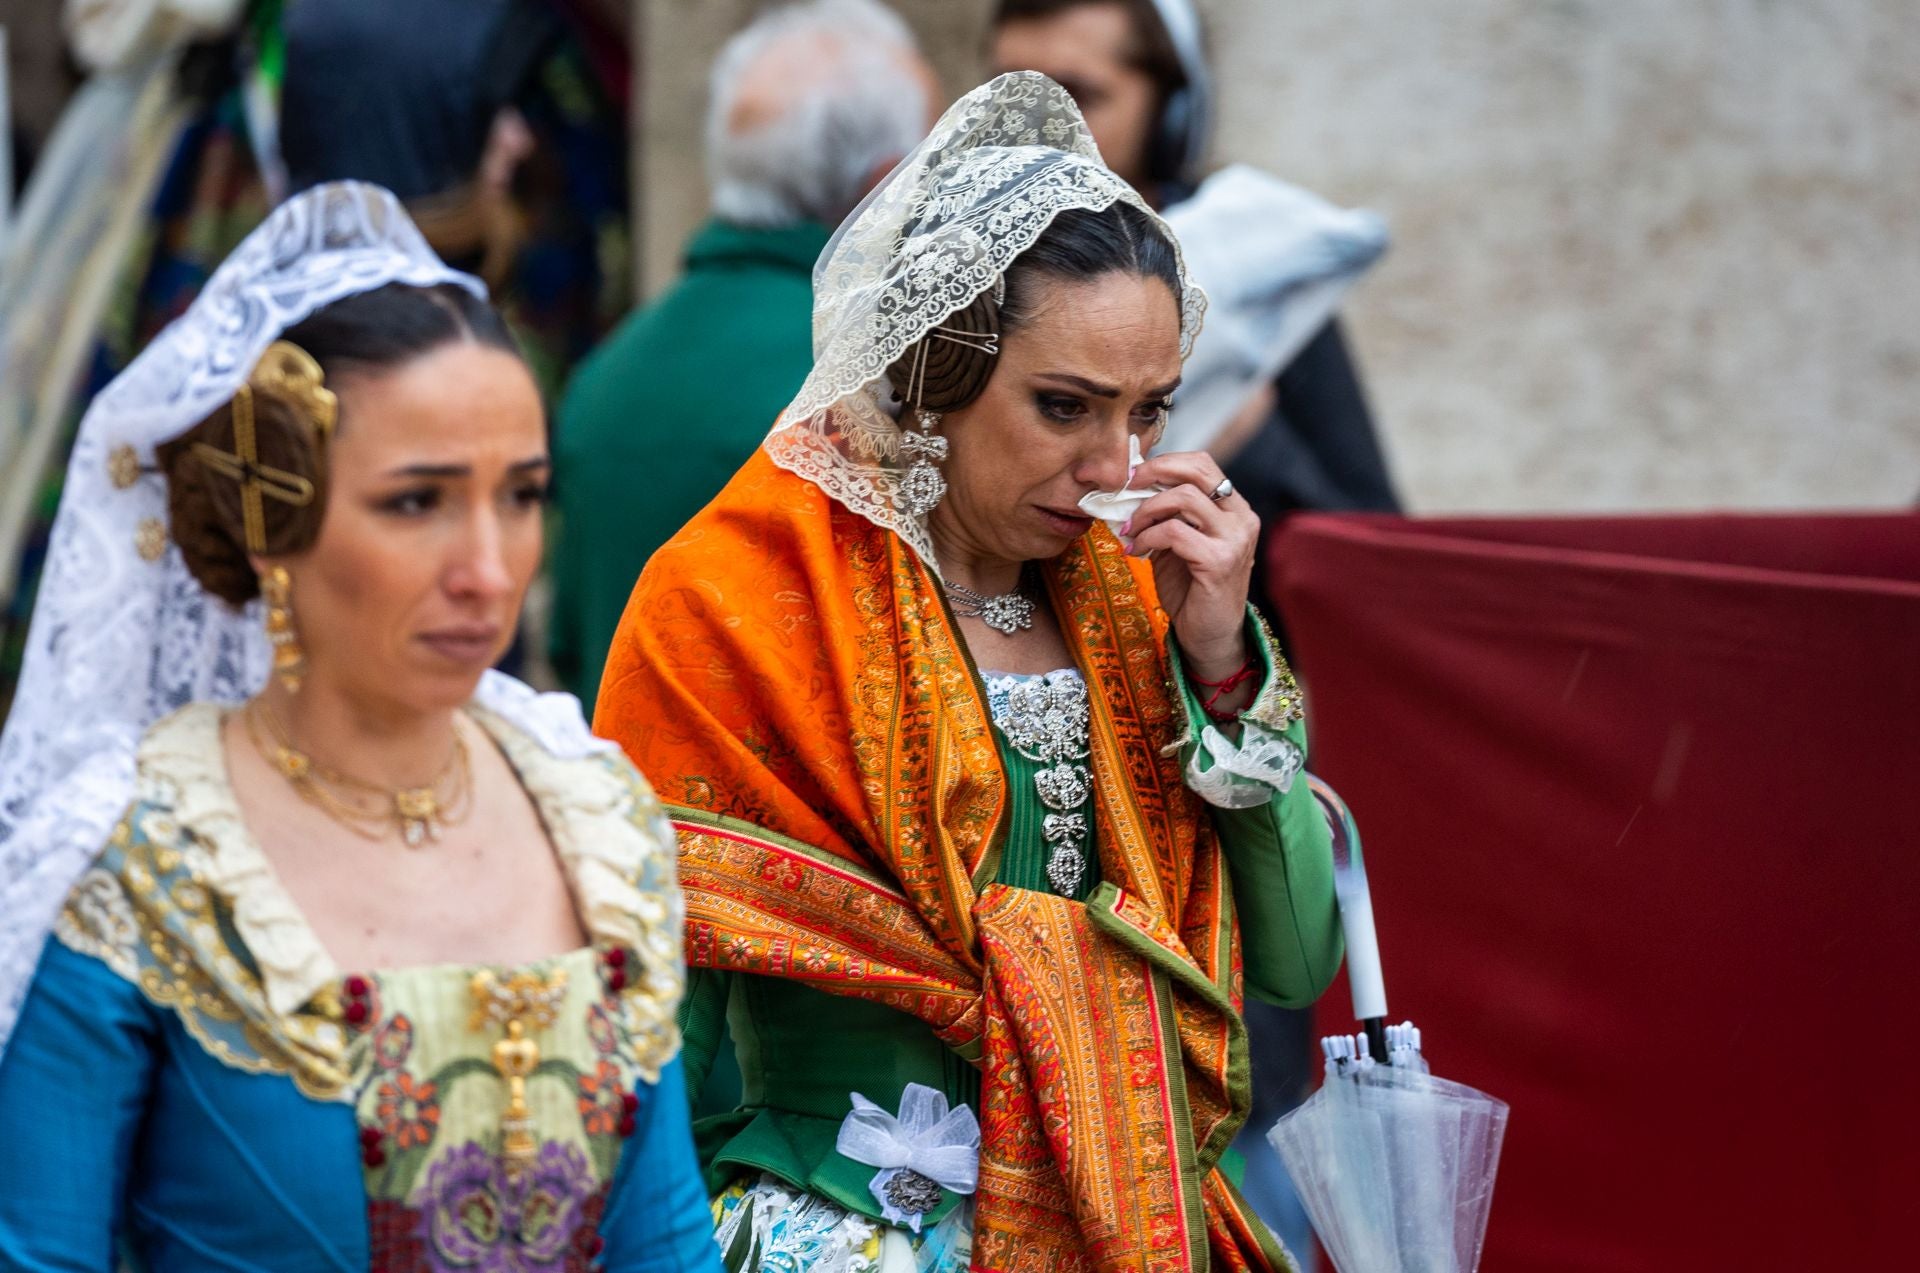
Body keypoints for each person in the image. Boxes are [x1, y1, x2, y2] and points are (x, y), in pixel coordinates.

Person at [595, 74, 1341, 1272]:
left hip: (1131, 1221)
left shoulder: (1127, 603)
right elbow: (638, 1012)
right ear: (937, 365)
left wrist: (1223, 670)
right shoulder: (733, 597)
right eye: (1064, 407)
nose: (1114, 464)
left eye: (1150, 413)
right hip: (838, 1228)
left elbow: (1299, 958)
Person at [0, 182, 718, 1271]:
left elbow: (665, 1244)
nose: (489, 571)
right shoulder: (141, 861)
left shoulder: (594, 815)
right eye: (416, 501)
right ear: (269, 521)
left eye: (521, 495)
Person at [548, 0, 939, 708]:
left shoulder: (603, 377)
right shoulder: (873, 387)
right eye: (934, 169)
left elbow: (569, 645)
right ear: (885, 183)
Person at [990, 0, 1402, 624]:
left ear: (1169, 115)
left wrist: (1245, 441)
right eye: (1010, 96)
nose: (1032, 132)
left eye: (1077, 96)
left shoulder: (1248, 265)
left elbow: (1374, 553)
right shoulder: (957, 266)